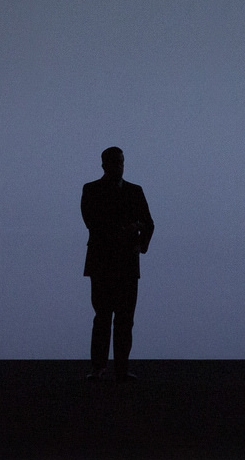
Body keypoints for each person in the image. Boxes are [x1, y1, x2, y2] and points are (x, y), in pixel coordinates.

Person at [81, 146, 154, 382]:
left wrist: (139, 240)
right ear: (104, 165)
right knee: (104, 317)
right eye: (115, 162)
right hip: (108, 263)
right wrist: (133, 233)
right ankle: (102, 368)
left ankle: (114, 368)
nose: (119, 166)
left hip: (119, 263)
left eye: (121, 162)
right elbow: (92, 222)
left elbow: (149, 223)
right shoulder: (92, 190)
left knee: (122, 319)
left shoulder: (132, 191)